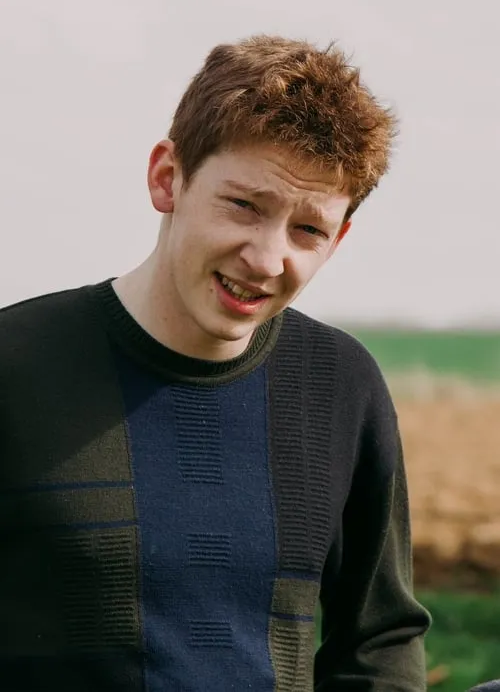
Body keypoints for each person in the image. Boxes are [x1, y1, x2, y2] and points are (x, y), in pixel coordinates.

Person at [0, 34, 431, 691]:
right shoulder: (16, 364)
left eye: (307, 229)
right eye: (243, 206)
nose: (265, 258)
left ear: (338, 239)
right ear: (167, 177)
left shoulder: (342, 385)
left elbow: (379, 640)